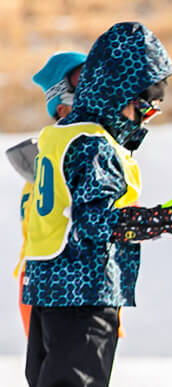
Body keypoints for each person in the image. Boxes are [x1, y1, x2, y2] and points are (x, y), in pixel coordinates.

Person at [8, 22, 172, 387]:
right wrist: (164, 219)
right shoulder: (96, 143)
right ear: (118, 95)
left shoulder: (60, 137)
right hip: (85, 287)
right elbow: (98, 221)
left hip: (48, 286)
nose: (148, 117)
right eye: (144, 106)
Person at [6, 51, 86, 337]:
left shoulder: (51, 155)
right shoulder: (69, 156)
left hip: (52, 287)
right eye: (81, 79)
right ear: (61, 107)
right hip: (58, 289)